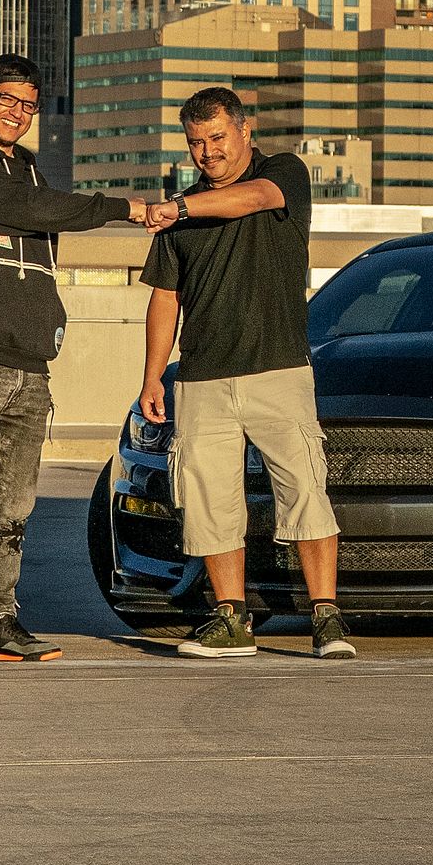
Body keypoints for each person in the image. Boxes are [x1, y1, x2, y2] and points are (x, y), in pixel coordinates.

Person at [0, 54, 148, 665]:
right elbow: (27, 212)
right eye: (6, 100)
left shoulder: (30, 170)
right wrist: (120, 208)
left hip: (29, 364)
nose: (17, 113)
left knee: (13, 505)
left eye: (28, 106)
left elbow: (38, 213)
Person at [138, 86, 354, 661]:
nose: (207, 153)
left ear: (244, 131)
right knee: (210, 501)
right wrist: (152, 377)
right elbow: (165, 298)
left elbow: (252, 198)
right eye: (195, 143)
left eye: (216, 138)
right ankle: (231, 618)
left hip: (277, 368)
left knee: (304, 489)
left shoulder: (283, 173)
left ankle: (326, 618)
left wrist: (180, 208)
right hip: (202, 375)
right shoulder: (181, 210)